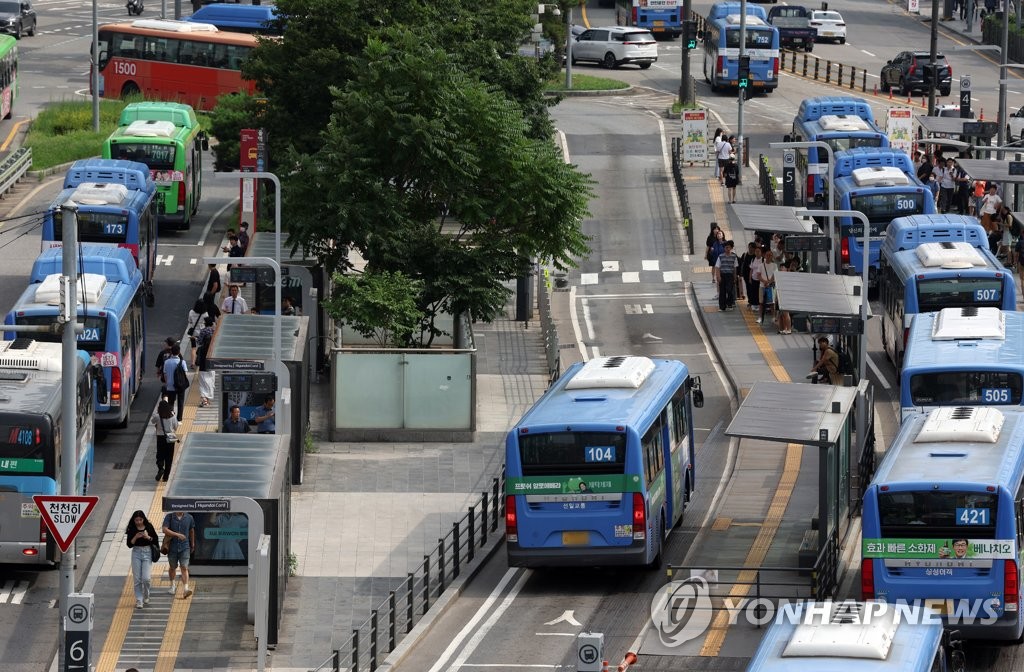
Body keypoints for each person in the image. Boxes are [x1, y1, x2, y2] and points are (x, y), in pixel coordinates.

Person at [125, 510, 158, 608]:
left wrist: (148, 537)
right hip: (136, 553)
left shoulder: (149, 527)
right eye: (136, 520)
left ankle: (146, 594)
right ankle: (139, 599)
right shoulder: (132, 528)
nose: (139, 522)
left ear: (144, 519)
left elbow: (155, 540)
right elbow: (129, 544)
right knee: (137, 579)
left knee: (146, 578)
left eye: (140, 520)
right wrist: (135, 536)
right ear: (134, 520)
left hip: (147, 552)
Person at [163, 510, 195, 598]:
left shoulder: (189, 517)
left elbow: (191, 530)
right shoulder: (169, 517)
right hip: (172, 547)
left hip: (185, 547)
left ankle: (186, 589)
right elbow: (164, 529)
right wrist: (177, 535)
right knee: (172, 567)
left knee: (184, 567)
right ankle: (172, 585)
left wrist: (192, 544)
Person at [150, 400, 178, 481]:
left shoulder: (158, 416)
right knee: (169, 458)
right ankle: (166, 477)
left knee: (160, 455)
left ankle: (161, 468)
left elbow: (152, 421)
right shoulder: (172, 416)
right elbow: (176, 427)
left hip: (160, 438)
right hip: (171, 438)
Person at [161, 344, 187, 422]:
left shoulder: (167, 362)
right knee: (180, 402)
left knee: (171, 402)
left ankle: (171, 417)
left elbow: (165, 374)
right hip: (180, 386)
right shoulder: (182, 362)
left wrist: (167, 382)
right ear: (179, 352)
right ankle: (179, 419)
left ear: (171, 352)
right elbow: (185, 374)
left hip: (170, 385)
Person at [196, 316, 216, 407]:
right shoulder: (213, 349)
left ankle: (204, 399)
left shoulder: (201, 348)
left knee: (203, 383)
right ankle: (207, 400)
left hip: (202, 367)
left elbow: (199, 342)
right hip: (212, 367)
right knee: (210, 383)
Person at [714, 240, 738, 311]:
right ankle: (722, 307)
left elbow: (734, 268)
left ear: (731, 248)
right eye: (726, 248)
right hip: (723, 275)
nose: (727, 249)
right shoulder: (720, 256)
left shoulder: (734, 256)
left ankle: (730, 304)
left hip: (730, 275)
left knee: (730, 290)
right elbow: (717, 267)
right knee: (722, 291)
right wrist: (718, 276)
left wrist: (735, 277)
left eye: (728, 247)